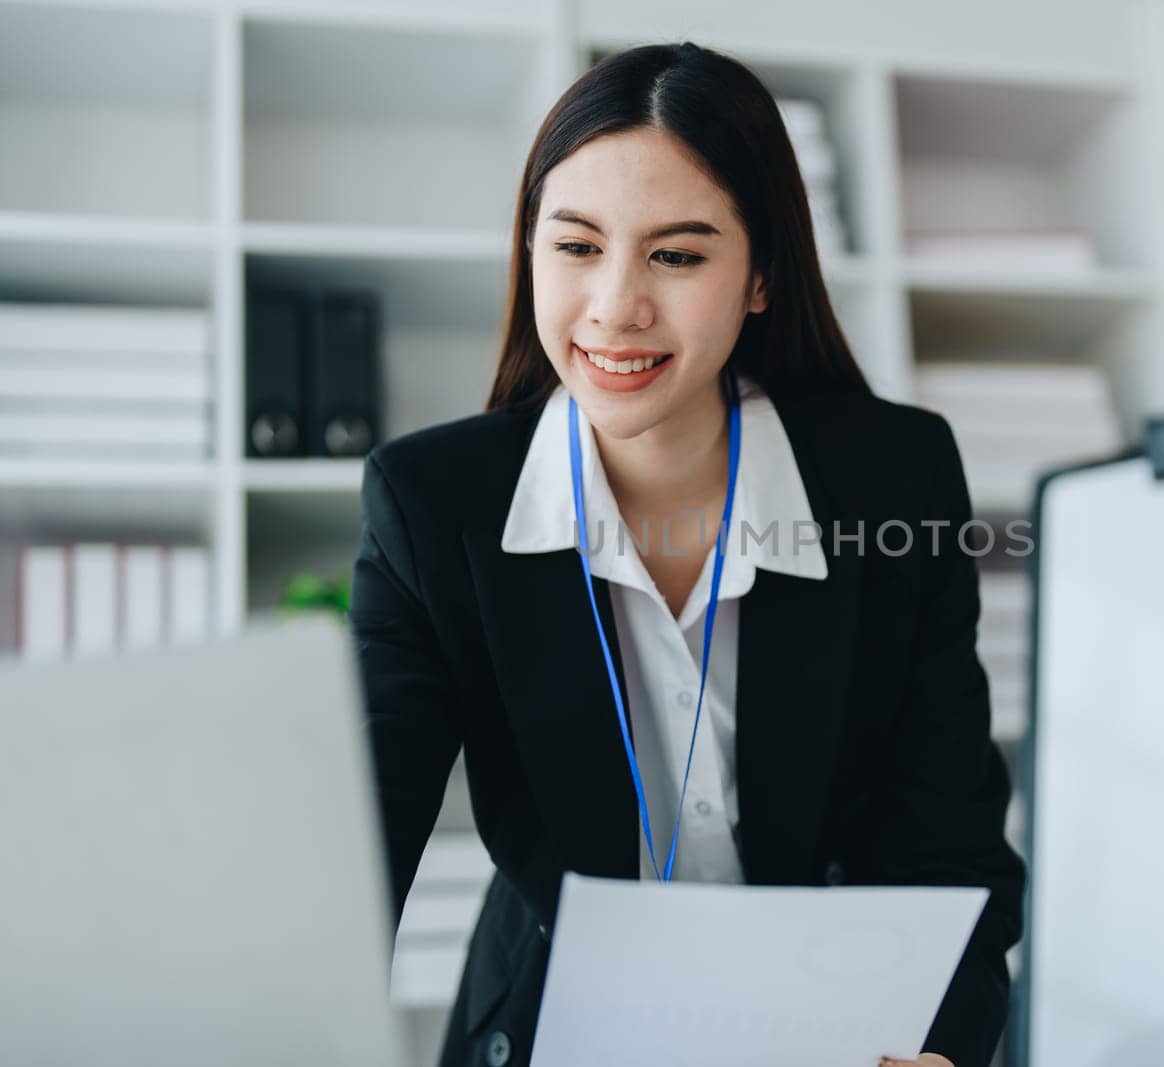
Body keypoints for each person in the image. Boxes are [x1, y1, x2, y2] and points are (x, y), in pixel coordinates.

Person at [349, 41, 1024, 1067]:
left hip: (828, 1027)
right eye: (576, 246)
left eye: (676, 254)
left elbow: (948, 838)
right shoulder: (432, 504)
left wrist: (937, 1043)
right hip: (552, 1027)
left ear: (760, 278)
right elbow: (361, 842)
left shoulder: (894, 476)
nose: (616, 306)